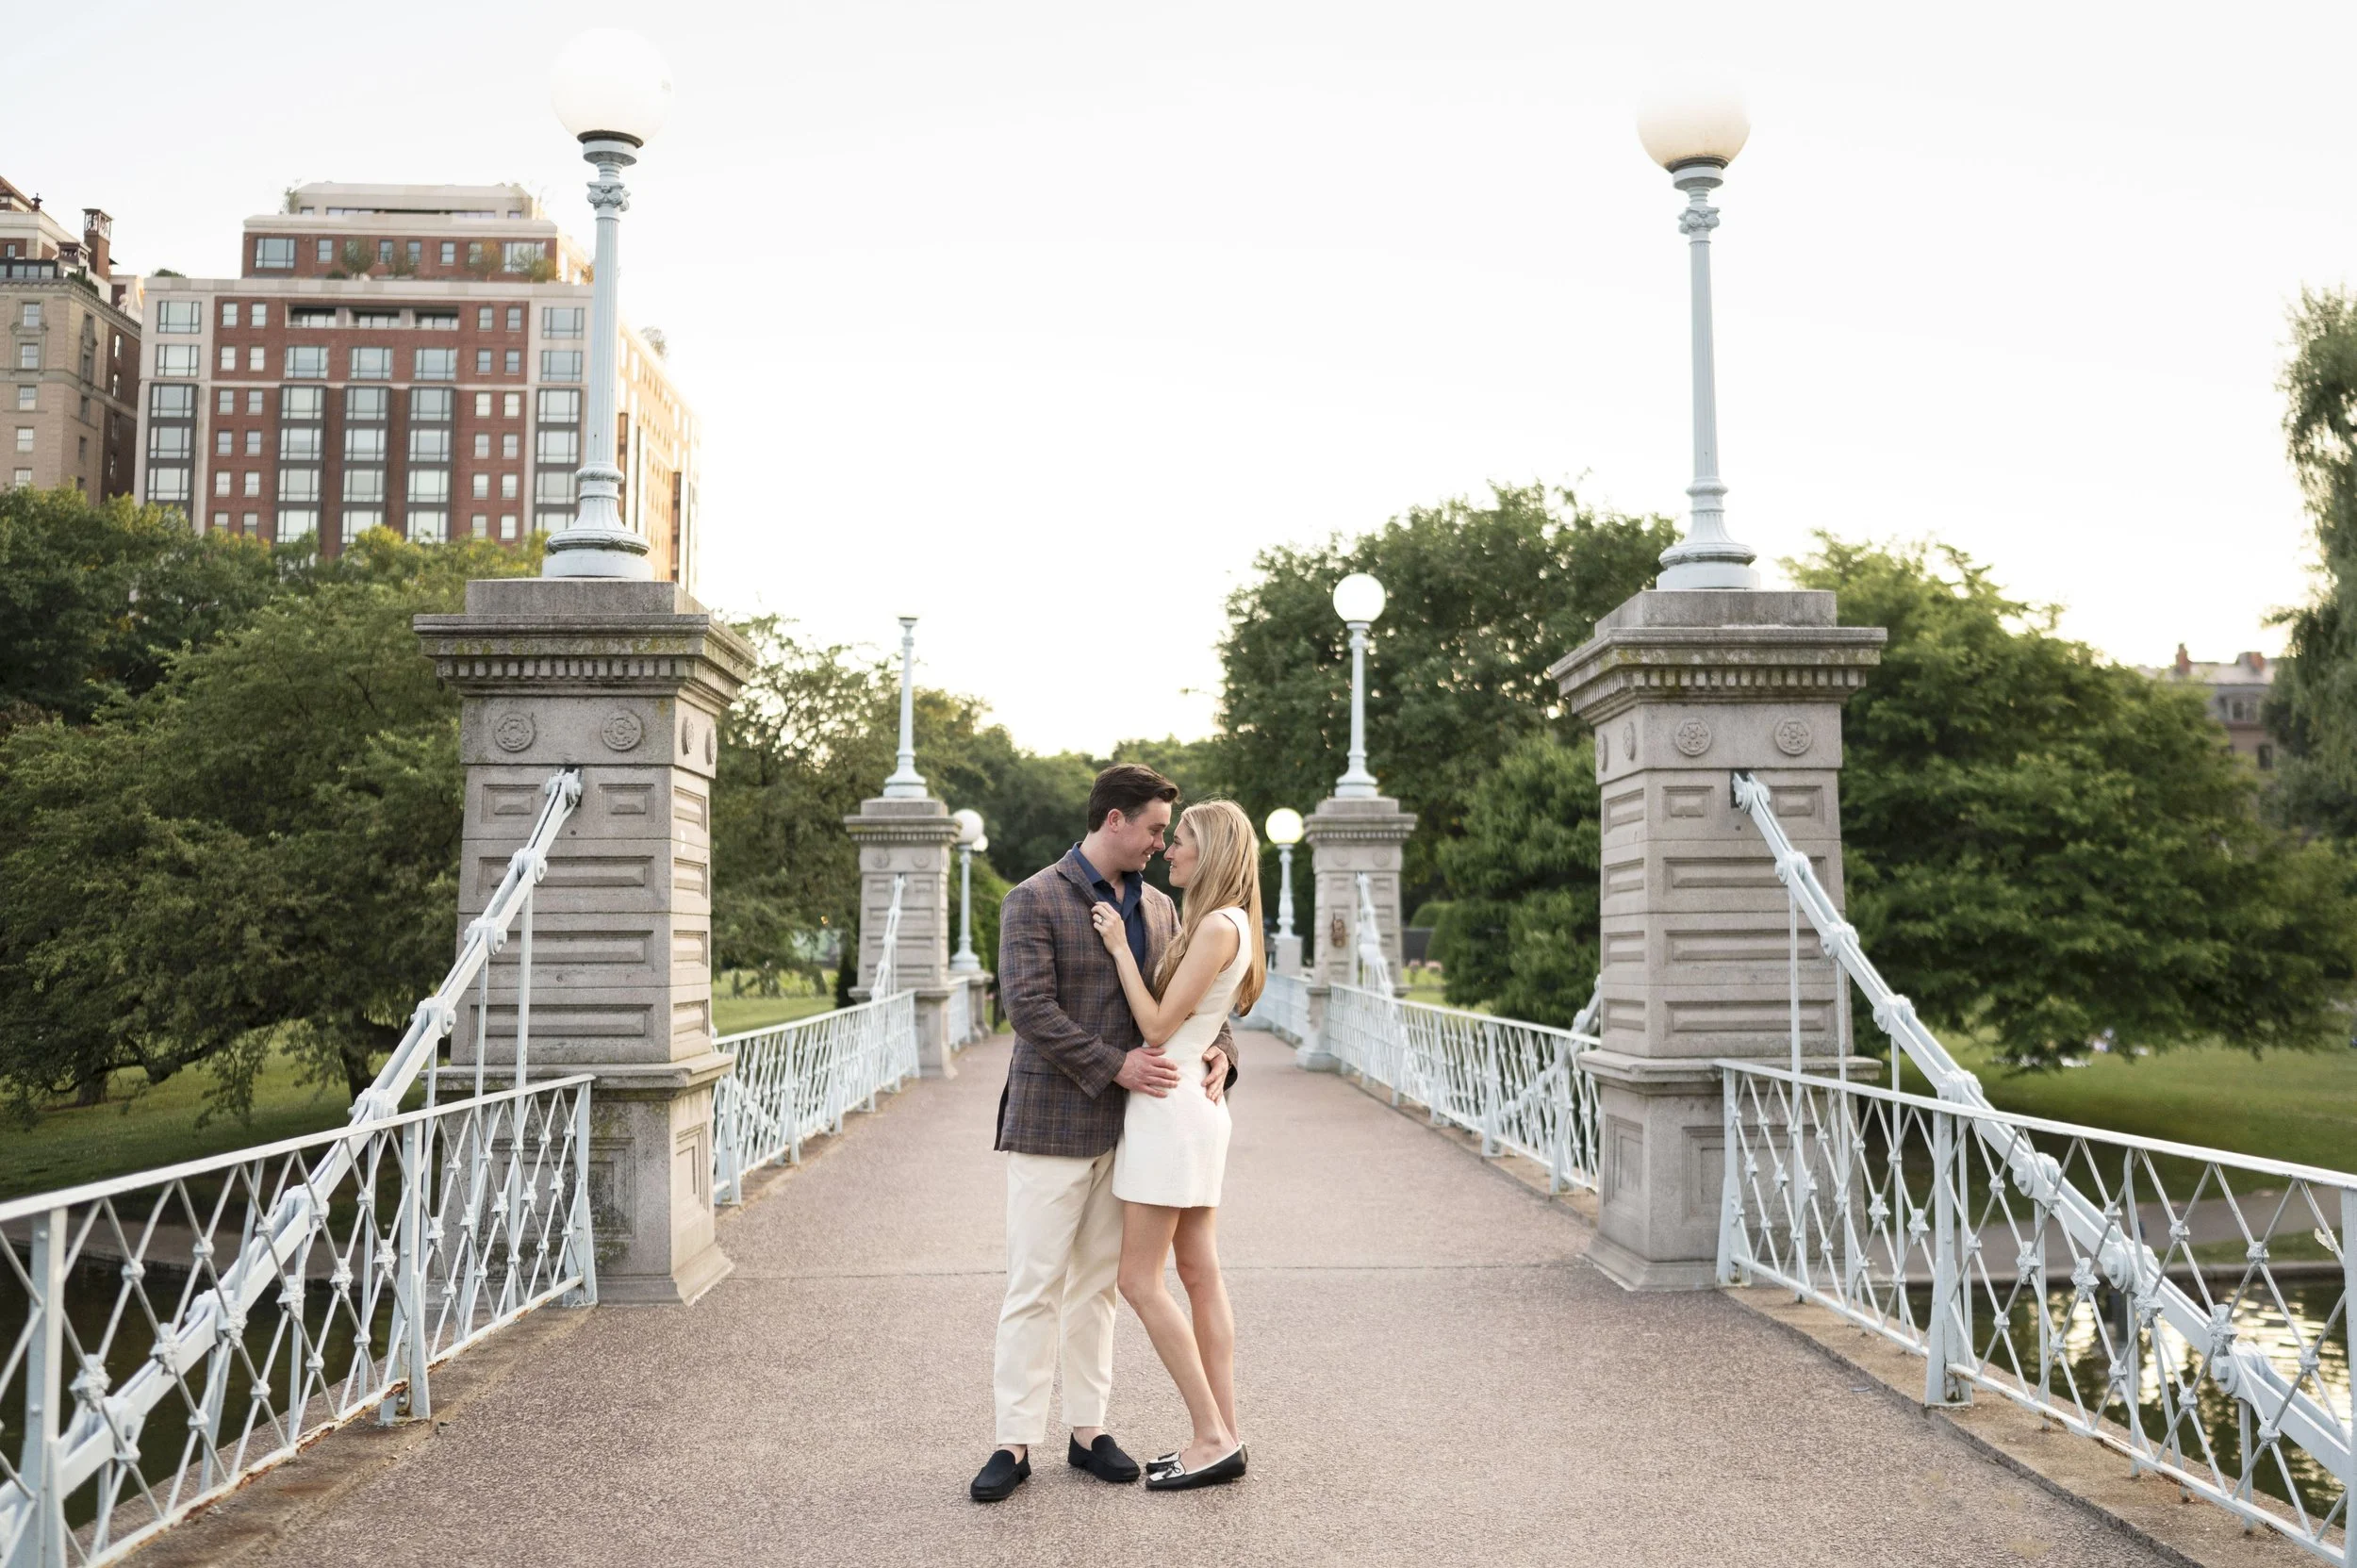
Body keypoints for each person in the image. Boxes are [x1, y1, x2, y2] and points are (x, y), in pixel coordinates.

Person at [970, 766, 1238, 1504]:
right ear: (1113, 819)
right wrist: (1113, 1065)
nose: (1162, 842)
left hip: (1134, 1133)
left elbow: (1195, 1000)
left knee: (1100, 1288)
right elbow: (1027, 1007)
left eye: (1167, 832)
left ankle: (1088, 1432)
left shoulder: (1159, 906)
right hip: (1051, 1122)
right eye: (1154, 828)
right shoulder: (1033, 897)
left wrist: (1222, 1051)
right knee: (1034, 1284)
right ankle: (1013, 1439)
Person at [1094, 799, 1262, 1491]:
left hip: (1169, 1109)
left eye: (1182, 839)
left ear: (1213, 849)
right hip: (1190, 1101)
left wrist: (1119, 951)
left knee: (1139, 1279)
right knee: (1198, 1274)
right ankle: (1223, 1434)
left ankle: (1211, 1434)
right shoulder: (1228, 925)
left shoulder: (1217, 927)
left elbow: (1159, 1027)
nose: (1171, 850)